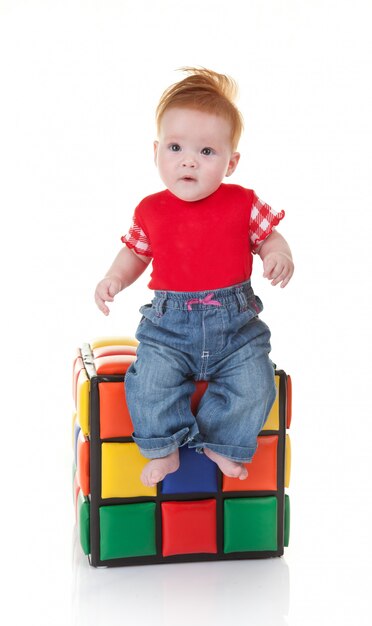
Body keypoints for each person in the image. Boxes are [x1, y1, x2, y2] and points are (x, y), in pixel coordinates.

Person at [95, 67, 294, 488]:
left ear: (231, 161)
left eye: (207, 152)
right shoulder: (150, 210)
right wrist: (114, 278)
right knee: (148, 382)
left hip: (236, 329)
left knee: (256, 382)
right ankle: (164, 447)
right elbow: (134, 253)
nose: (189, 160)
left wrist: (278, 254)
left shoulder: (243, 202)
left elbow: (270, 237)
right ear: (156, 152)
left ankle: (223, 442)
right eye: (175, 147)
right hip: (169, 330)